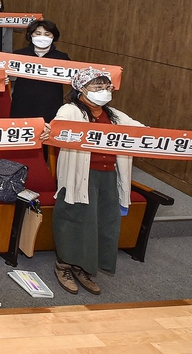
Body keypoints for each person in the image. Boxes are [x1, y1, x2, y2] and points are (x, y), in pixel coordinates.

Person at [47, 69, 142, 295]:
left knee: (101, 222)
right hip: (80, 175)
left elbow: (140, 131)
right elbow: (57, 127)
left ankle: (84, 267)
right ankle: (64, 266)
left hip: (108, 175)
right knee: (74, 218)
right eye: (96, 87)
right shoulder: (70, 110)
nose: (103, 92)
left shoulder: (115, 115)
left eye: (106, 87)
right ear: (81, 88)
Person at [9, 20, 70, 122]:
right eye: (38, 33)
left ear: (53, 36)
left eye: (47, 34)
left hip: (50, 104)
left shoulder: (62, 57)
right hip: (22, 103)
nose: (42, 37)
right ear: (31, 35)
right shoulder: (19, 54)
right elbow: (4, 73)